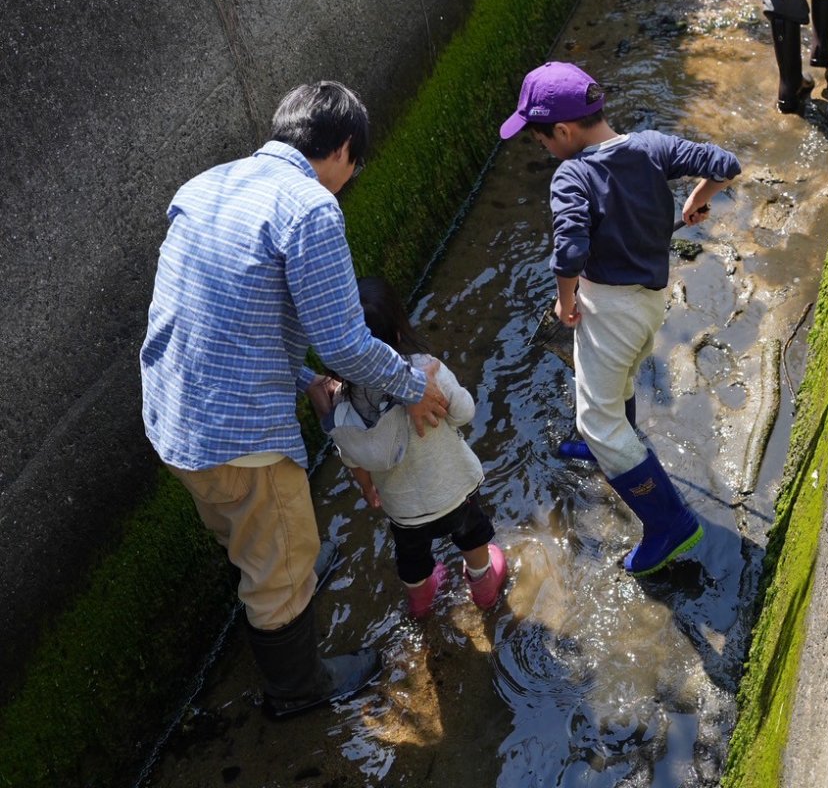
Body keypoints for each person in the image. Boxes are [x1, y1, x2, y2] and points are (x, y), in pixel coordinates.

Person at [140, 81, 450, 720]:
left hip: (172, 415)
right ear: (342, 150)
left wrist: (300, 378)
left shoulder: (205, 184)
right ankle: (297, 688)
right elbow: (345, 344)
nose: (350, 179)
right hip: (238, 438)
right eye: (354, 166)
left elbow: (228, 316)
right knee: (281, 564)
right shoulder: (310, 208)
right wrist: (414, 387)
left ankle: (279, 570)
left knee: (241, 525)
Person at [499, 61, 740, 577]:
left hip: (607, 307)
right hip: (650, 300)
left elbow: (569, 252)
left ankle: (669, 521)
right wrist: (700, 197)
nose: (543, 148)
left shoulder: (572, 174)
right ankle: (605, 439)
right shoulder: (652, 145)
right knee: (618, 376)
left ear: (562, 131)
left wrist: (566, 300)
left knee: (596, 416)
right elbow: (725, 162)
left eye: (540, 138)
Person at [323, 276, 507, 618]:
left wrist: (367, 486)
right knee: (473, 538)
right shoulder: (426, 371)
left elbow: (350, 454)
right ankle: (483, 585)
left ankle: (422, 599)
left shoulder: (344, 401)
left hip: (404, 509)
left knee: (411, 557)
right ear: (396, 332)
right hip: (454, 492)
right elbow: (464, 412)